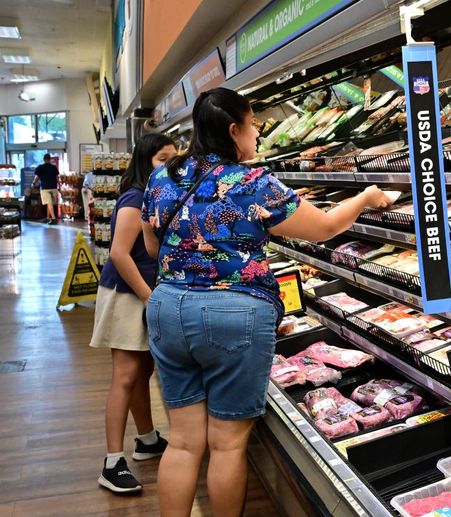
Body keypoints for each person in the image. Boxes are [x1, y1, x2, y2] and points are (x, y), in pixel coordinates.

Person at [140, 87, 390, 517]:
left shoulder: (163, 177)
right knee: (227, 444)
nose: (257, 132)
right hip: (232, 314)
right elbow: (324, 228)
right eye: (253, 124)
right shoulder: (253, 183)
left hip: (167, 308)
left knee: (182, 442)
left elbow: (151, 247)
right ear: (233, 130)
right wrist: (365, 198)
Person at [90, 134, 178, 493]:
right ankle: (112, 462)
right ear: (145, 161)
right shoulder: (135, 197)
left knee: (143, 372)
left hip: (144, 292)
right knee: (125, 376)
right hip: (128, 294)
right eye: (162, 159)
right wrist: (149, 297)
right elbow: (119, 254)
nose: (170, 166)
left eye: (174, 159)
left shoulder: (156, 193)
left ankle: (147, 439)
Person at [33, 154, 60, 224]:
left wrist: (33, 183)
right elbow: (57, 178)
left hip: (45, 188)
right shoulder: (54, 167)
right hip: (54, 187)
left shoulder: (40, 167)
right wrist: (59, 186)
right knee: (50, 203)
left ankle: (53, 218)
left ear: (44, 159)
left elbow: (37, 177)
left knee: (49, 203)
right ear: (50, 159)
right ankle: (48, 217)